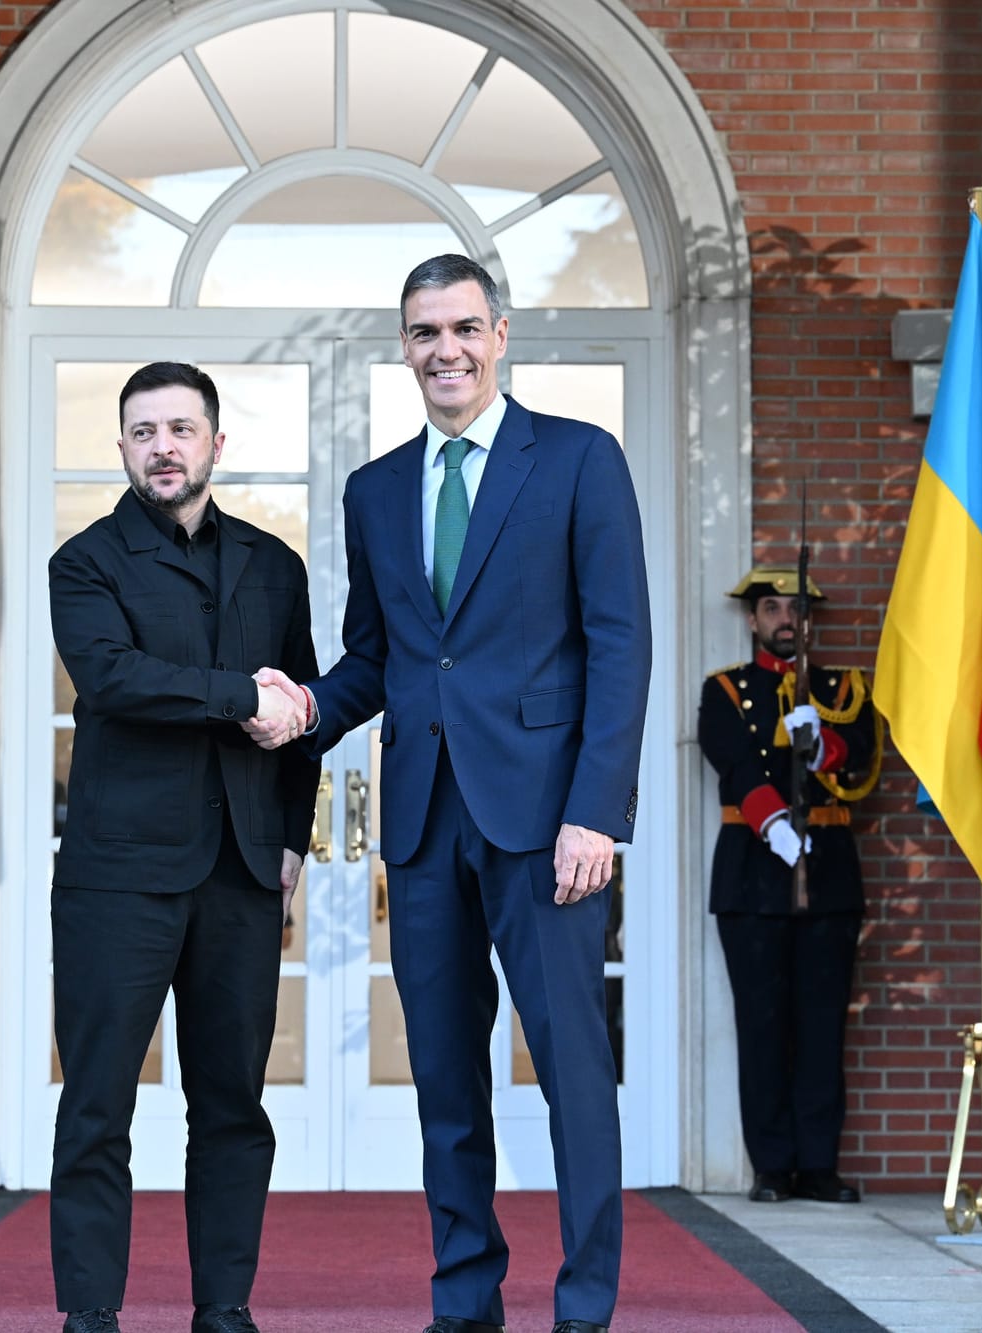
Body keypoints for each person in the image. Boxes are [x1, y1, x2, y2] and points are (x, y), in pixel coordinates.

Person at [259, 255, 650, 1333]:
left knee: (572, 1069)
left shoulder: (576, 461)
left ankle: (583, 1305)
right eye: (425, 331)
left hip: (545, 824)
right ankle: (465, 1301)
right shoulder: (375, 490)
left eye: (464, 328)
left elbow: (619, 643)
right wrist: (297, 708)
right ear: (403, 346)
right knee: (443, 1079)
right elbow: (379, 658)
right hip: (424, 824)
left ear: (500, 334)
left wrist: (597, 812)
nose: (446, 349)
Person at [47, 362, 318, 1333]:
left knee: (233, 1108)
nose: (162, 446)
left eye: (180, 428)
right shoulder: (82, 564)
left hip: (242, 874)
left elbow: (305, 714)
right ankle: (89, 1315)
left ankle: (225, 1310)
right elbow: (115, 680)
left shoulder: (273, 567)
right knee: (96, 1108)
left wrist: (291, 840)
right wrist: (240, 694)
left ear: (214, 442)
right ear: (120, 448)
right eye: (143, 431)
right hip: (117, 878)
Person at [697, 567, 881, 1205]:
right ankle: (772, 1166)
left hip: (828, 871)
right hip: (754, 873)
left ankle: (819, 1166)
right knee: (763, 1024)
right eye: (772, 608)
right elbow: (732, 758)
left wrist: (823, 743)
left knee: (823, 1025)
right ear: (753, 620)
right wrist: (773, 822)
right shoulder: (725, 689)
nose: (784, 619)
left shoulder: (844, 689)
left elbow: (864, 755)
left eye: (796, 609)